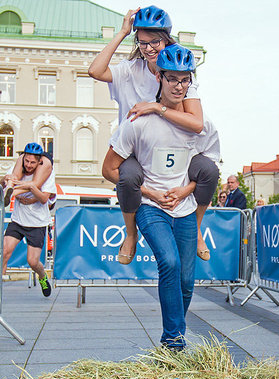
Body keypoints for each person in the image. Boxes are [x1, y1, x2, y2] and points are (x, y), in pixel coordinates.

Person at [89, 6, 218, 263]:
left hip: (172, 144)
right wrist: (124, 32)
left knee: (209, 170)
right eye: (142, 42)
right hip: (137, 146)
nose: (149, 48)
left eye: (155, 41)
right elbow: (95, 71)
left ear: (166, 39)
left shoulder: (175, 72)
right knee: (128, 175)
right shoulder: (129, 70)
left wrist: (156, 107)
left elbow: (196, 122)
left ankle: (198, 227)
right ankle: (130, 234)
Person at [101, 44, 201, 350]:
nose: (179, 86)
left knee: (186, 280)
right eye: (173, 79)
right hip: (150, 205)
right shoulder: (137, 122)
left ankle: (175, 333)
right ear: (159, 77)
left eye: (185, 80)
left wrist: (185, 191)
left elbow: (206, 170)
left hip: (184, 206)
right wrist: (150, 192)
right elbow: (109, 169)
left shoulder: (199, 126)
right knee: (168, 263)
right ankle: (173, 341)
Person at [0, 143, 56, 299]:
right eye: (27, 161)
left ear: (39, 162)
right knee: (4, 252)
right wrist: (6, 181)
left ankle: (42, 276)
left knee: (33, 261)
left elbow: (44, 199)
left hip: (37, 223)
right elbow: (3, 184)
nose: (29, 165)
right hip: (17, 220)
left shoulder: (46, 173)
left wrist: (31, 187)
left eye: (32, 162)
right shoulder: (17, 170)